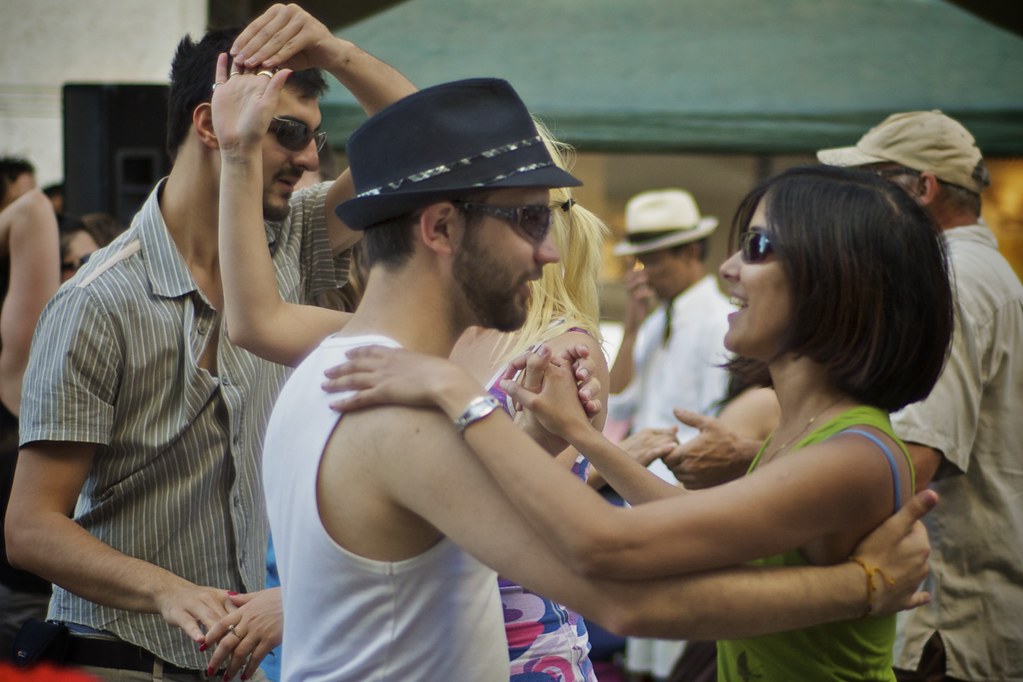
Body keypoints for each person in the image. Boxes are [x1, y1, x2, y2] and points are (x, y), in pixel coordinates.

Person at [228, 75, 937, 681]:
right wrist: (861, 585)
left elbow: (431, 534)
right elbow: (617, 588)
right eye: (531, 219)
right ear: (440, 228)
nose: (549, 251)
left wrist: (546, 435)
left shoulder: (336, 368)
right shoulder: (400, 405)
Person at [4, 5, 416, 679]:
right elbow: (30, 527)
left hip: (235, 666)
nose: (309, 158)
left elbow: (426, 147)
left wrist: (335, 51)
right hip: (116, 663)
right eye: (289, 132)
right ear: (210, 123)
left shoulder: (292, 241)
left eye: (315, 137)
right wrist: (165, 589)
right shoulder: (97, 299)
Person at [817, 110, 1023, 682]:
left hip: (945, 623)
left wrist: (773, 511)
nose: (861, 203)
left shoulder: (951, 279)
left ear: (924, 190)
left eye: (875, 182)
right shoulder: (981, 271)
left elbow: (913, 460)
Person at [605, 188, 732, 679]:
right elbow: (620, 401)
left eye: (654, 261)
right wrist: (633, 328)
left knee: (683, 645)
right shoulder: (658, 321)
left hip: (687, 503)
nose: (645, 273)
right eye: (640, 262)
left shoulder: (719, 323)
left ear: (691, 253)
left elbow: (720, 426)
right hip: (651, 502)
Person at [0, 186, 60, 658]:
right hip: (24, 606)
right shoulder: (18, 369)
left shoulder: (23, 368)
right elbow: (30, 209)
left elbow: (32, 211)